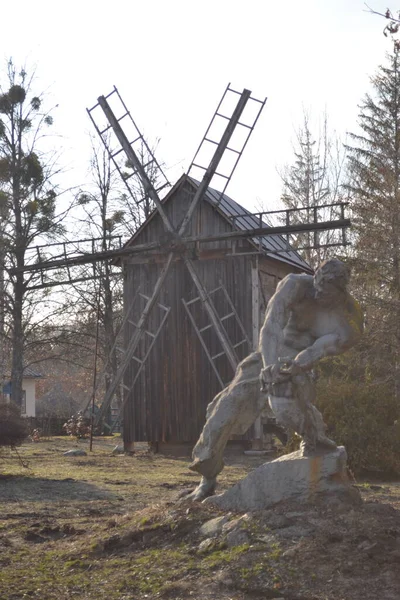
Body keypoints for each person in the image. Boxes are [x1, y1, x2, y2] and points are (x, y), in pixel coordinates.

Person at [186, 258, 363, 501]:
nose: (318, 293)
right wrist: (269, 365)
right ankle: (207, 479)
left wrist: (294, 367)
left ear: (341, 292)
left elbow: (317, 350)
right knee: (222, 411)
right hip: (267, 355)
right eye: (317, 285)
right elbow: (271, 326)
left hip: (300, 367)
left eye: (326, 292)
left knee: (285, 409)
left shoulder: (349, 322)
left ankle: (314, 438)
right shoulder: (296, 285)